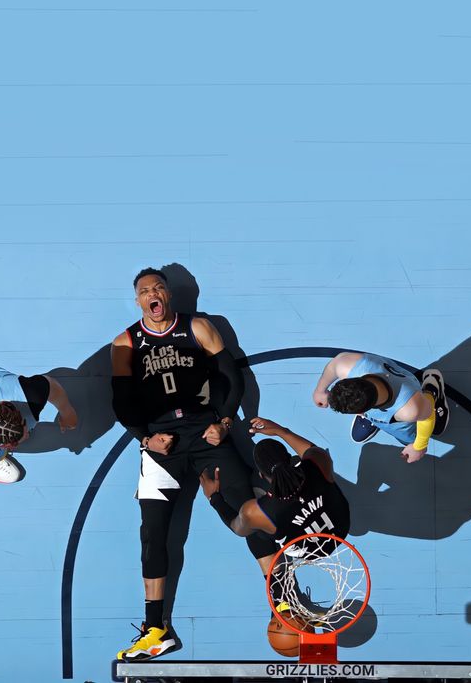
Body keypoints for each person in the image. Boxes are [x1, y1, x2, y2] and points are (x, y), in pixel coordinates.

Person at [111, 267, 277, 662]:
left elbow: (231, 378)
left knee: (248, 511)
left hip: (205, 435)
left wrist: (223, 422)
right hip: (160, 446)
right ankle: (156, 630)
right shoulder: (125, 343)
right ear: (137, 301)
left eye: (158, 288)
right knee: (153, 532)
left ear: (169, 296)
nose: (153, 294)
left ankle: (286, 605)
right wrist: (145, 437)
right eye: (144, 291)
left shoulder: (198, 327)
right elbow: (121, 402)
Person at [201, 416, 350, 630]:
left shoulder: (259, 510)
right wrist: (281, 431)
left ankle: (280, 600)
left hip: (304, 549)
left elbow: (237, 527)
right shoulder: (317, 463)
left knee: (252, 527)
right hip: (339, 529)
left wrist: (214, 498)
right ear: (291, 460)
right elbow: (310, 450)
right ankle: (283, 601)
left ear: (261, 474)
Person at [312, 350, 448, 462]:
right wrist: (320, 390)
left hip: (415, 406)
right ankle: (374, 421)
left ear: (365, 410)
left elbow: (427, 415)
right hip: (388, 397)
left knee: (411, 436)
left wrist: (419, 447)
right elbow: (335, 364)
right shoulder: (347, 365)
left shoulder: (408, 410)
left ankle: (432, 388)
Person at [0, 364, 78, 483]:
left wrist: (67, 412)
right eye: (13, 443)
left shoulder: (31, 394)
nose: (27, 436)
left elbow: (50, 383)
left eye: (23, 430)